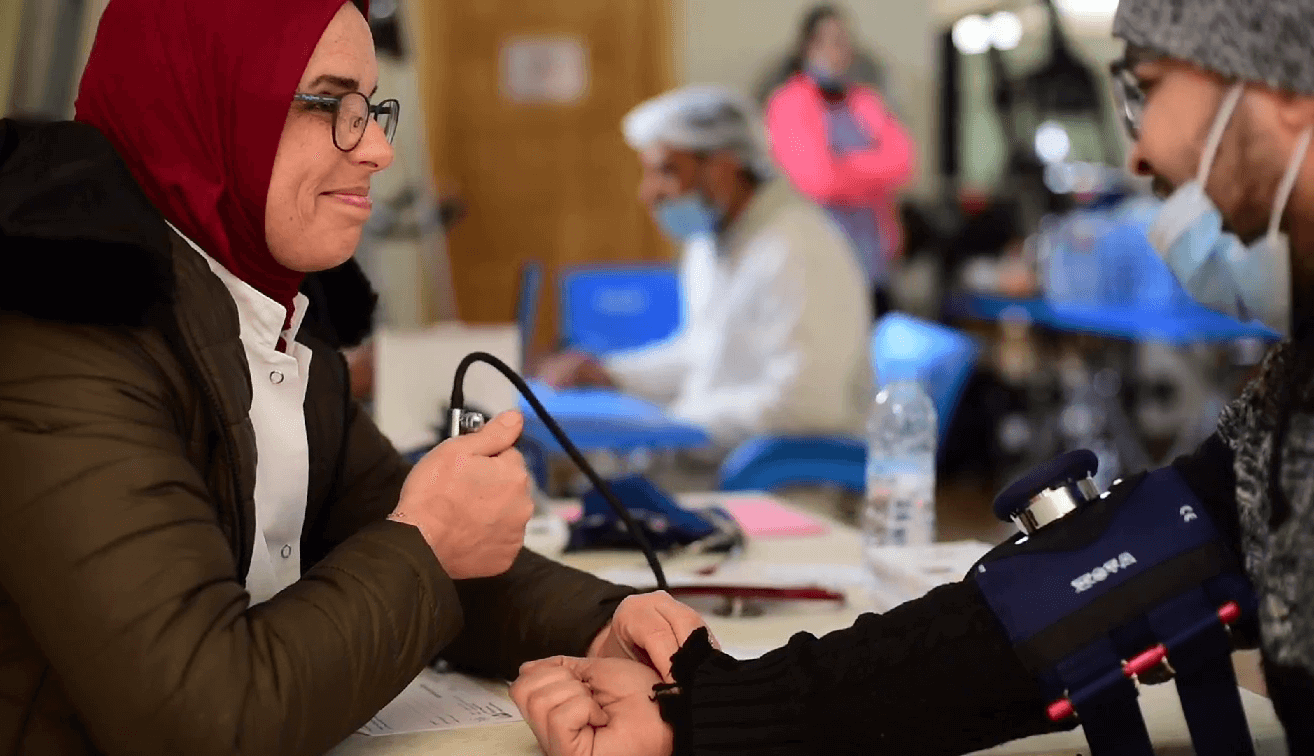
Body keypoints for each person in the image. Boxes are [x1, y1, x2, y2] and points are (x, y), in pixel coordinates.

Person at [510, 0, 1314, 753]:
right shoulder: (1291, 403)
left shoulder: (794, 237)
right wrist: (708, 708)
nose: (1134, 152)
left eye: (1146, 90)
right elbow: (1061, 598)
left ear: (1286, 92)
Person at [0, 1, 708, 753]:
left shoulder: (274, 320)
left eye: (371, 107)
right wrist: (426, 536)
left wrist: (603, 620)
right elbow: (202, 720)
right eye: (331, 103)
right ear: (204, 99)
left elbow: (414, 552)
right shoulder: (53, 335)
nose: (379, 150)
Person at [538, 85, 873, 454]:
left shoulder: (798, 247)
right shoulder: (715, 240)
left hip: (784, 480)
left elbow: (809, 406)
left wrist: (678, 421)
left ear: (722, 168)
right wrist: (611, 375)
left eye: (665, 171)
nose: (647, 194)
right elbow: (704, 355)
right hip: (718, 456)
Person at [765, 4, 915, 316]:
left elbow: (903, 162)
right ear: (807, 47)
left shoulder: (865, 101)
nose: (837, 51)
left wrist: (844, 164)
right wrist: (872, 171)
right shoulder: (788, 103)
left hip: (872, 259)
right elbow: (819, 181)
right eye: (827, 42)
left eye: (843, 42)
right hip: (814, 259)